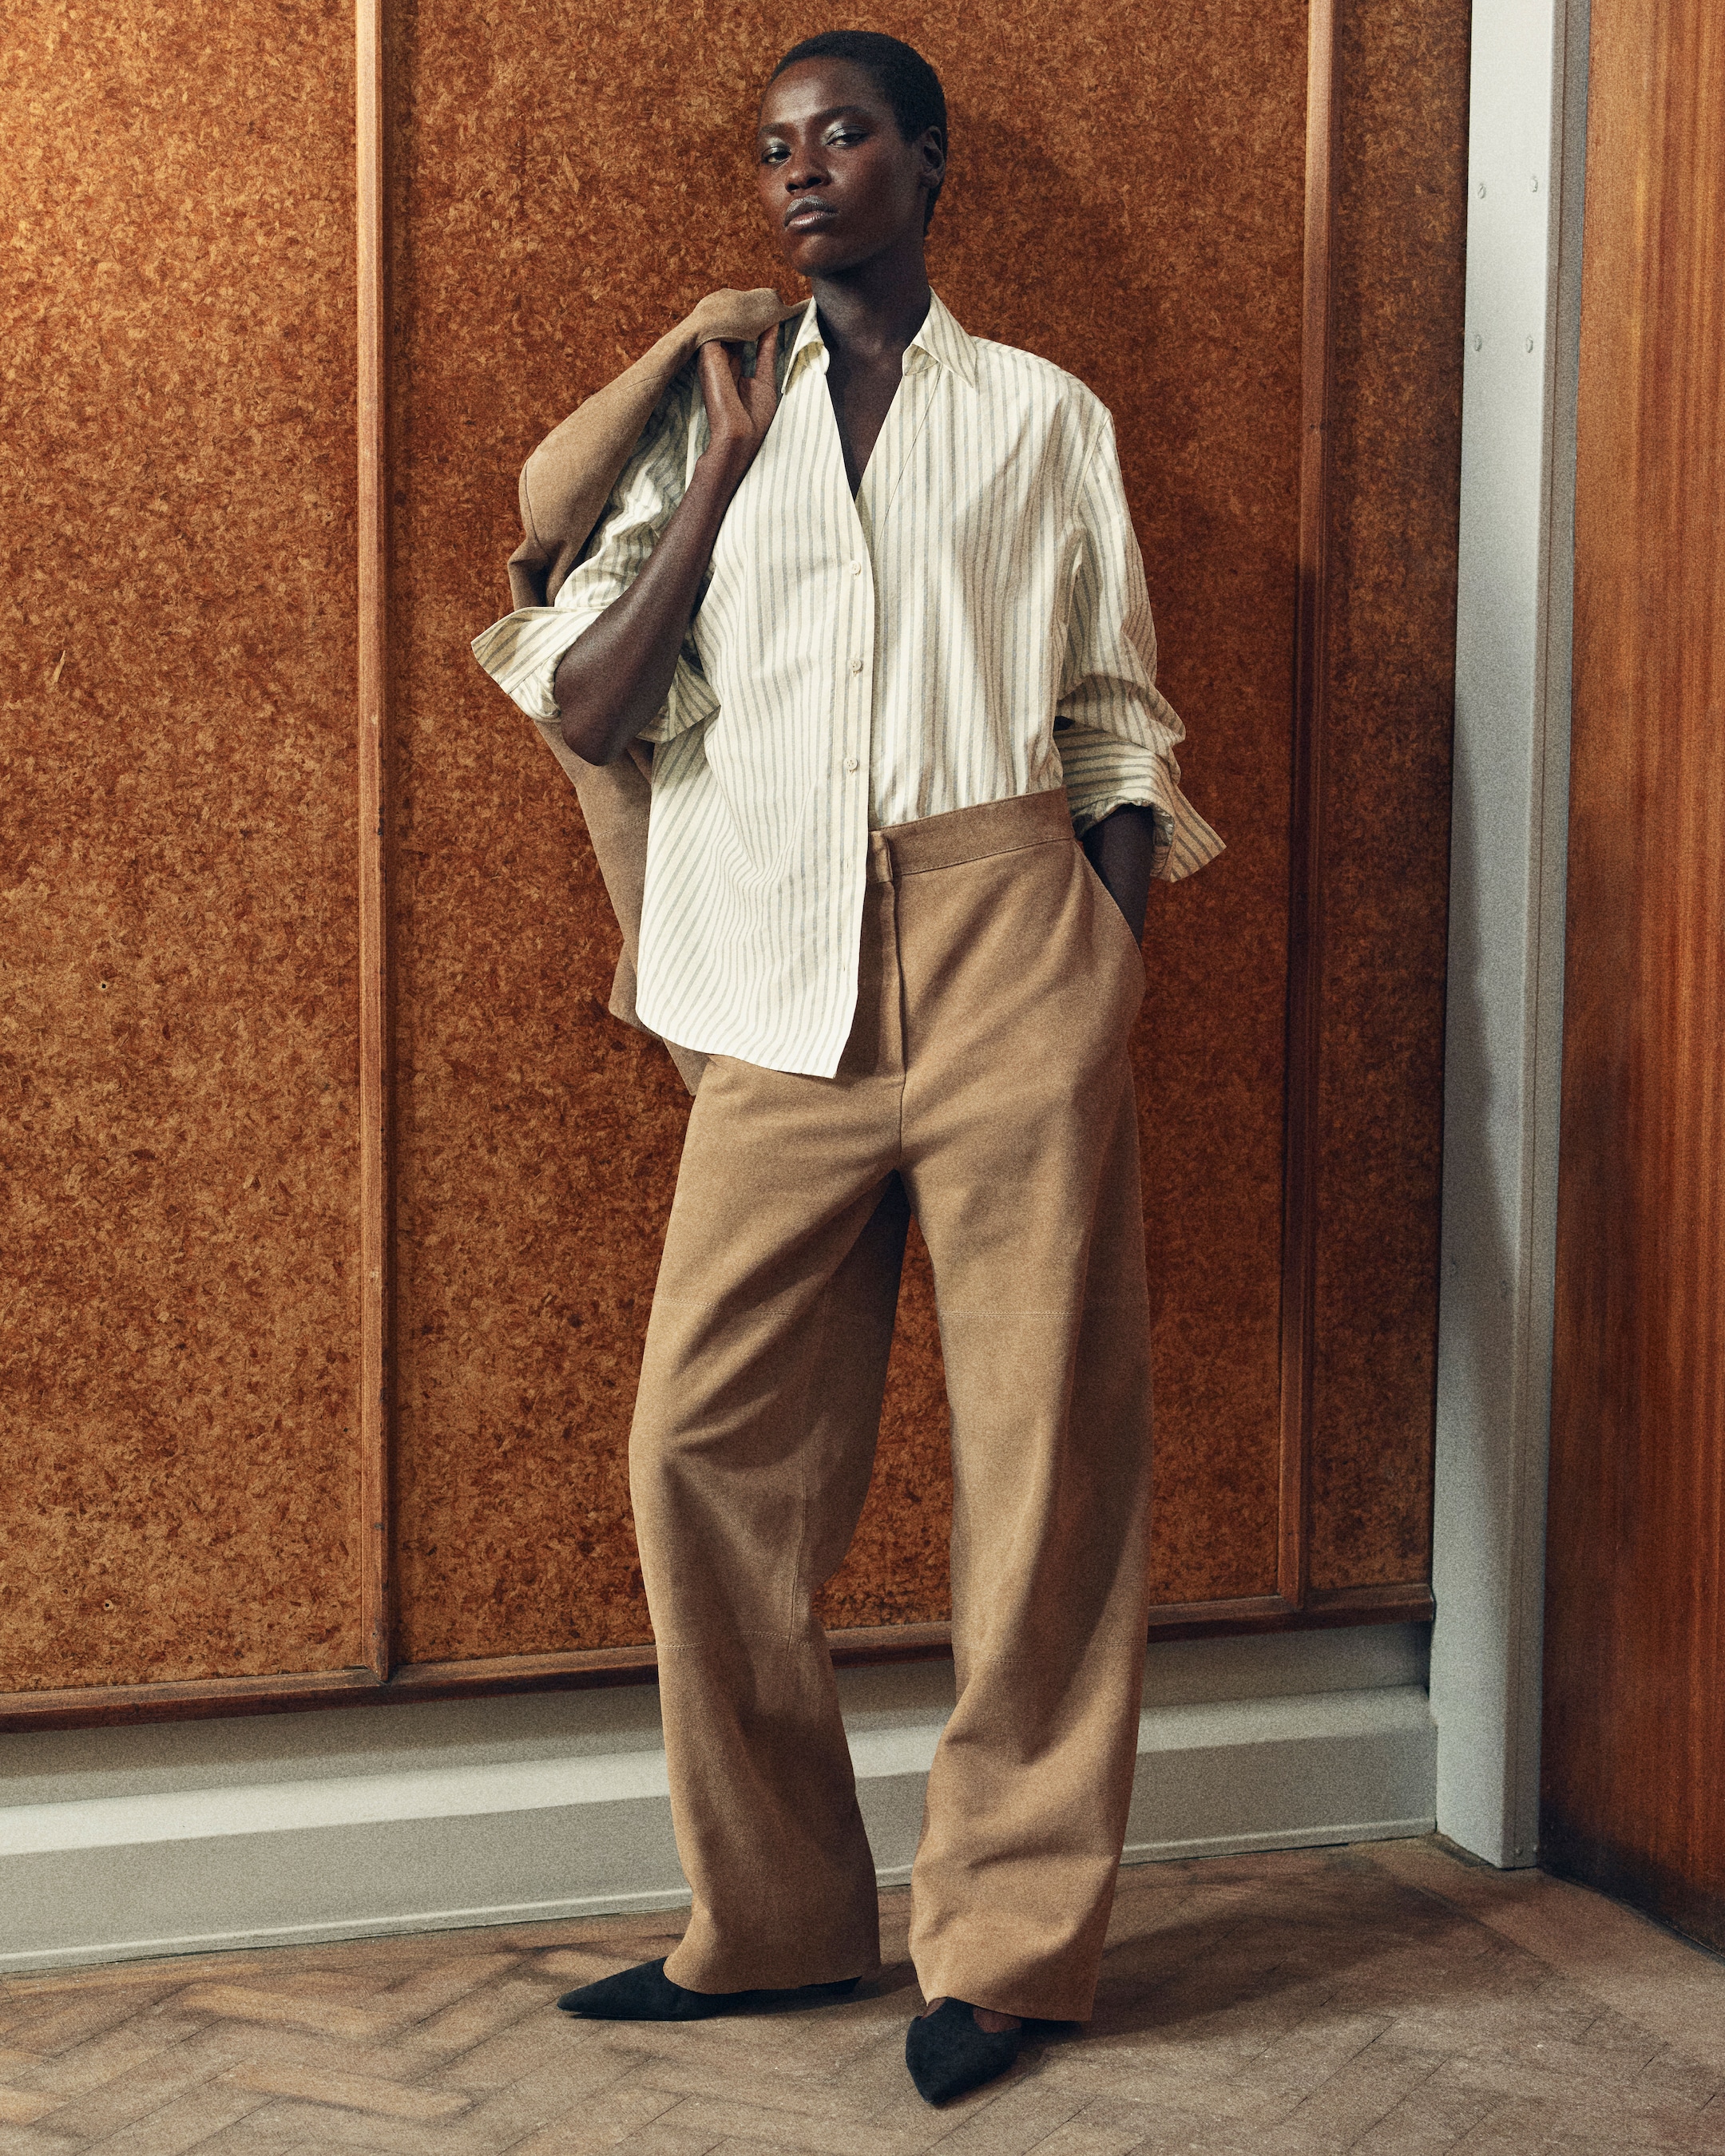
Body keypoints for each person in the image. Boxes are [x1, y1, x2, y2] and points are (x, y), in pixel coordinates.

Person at [472, 28, 1223, 2105]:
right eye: (774, 146)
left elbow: (1116, 719)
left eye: (845, 136)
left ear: (930, 162)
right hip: (773, 980)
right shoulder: (702, 411)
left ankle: (1011, 1943)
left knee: (1047, 1468)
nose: (801, 174)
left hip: (1010, 944)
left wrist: (1101, 965)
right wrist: (714, 474)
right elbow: (593, 703)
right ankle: (779, 1918)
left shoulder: (1044, 419)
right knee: (698, 1448)